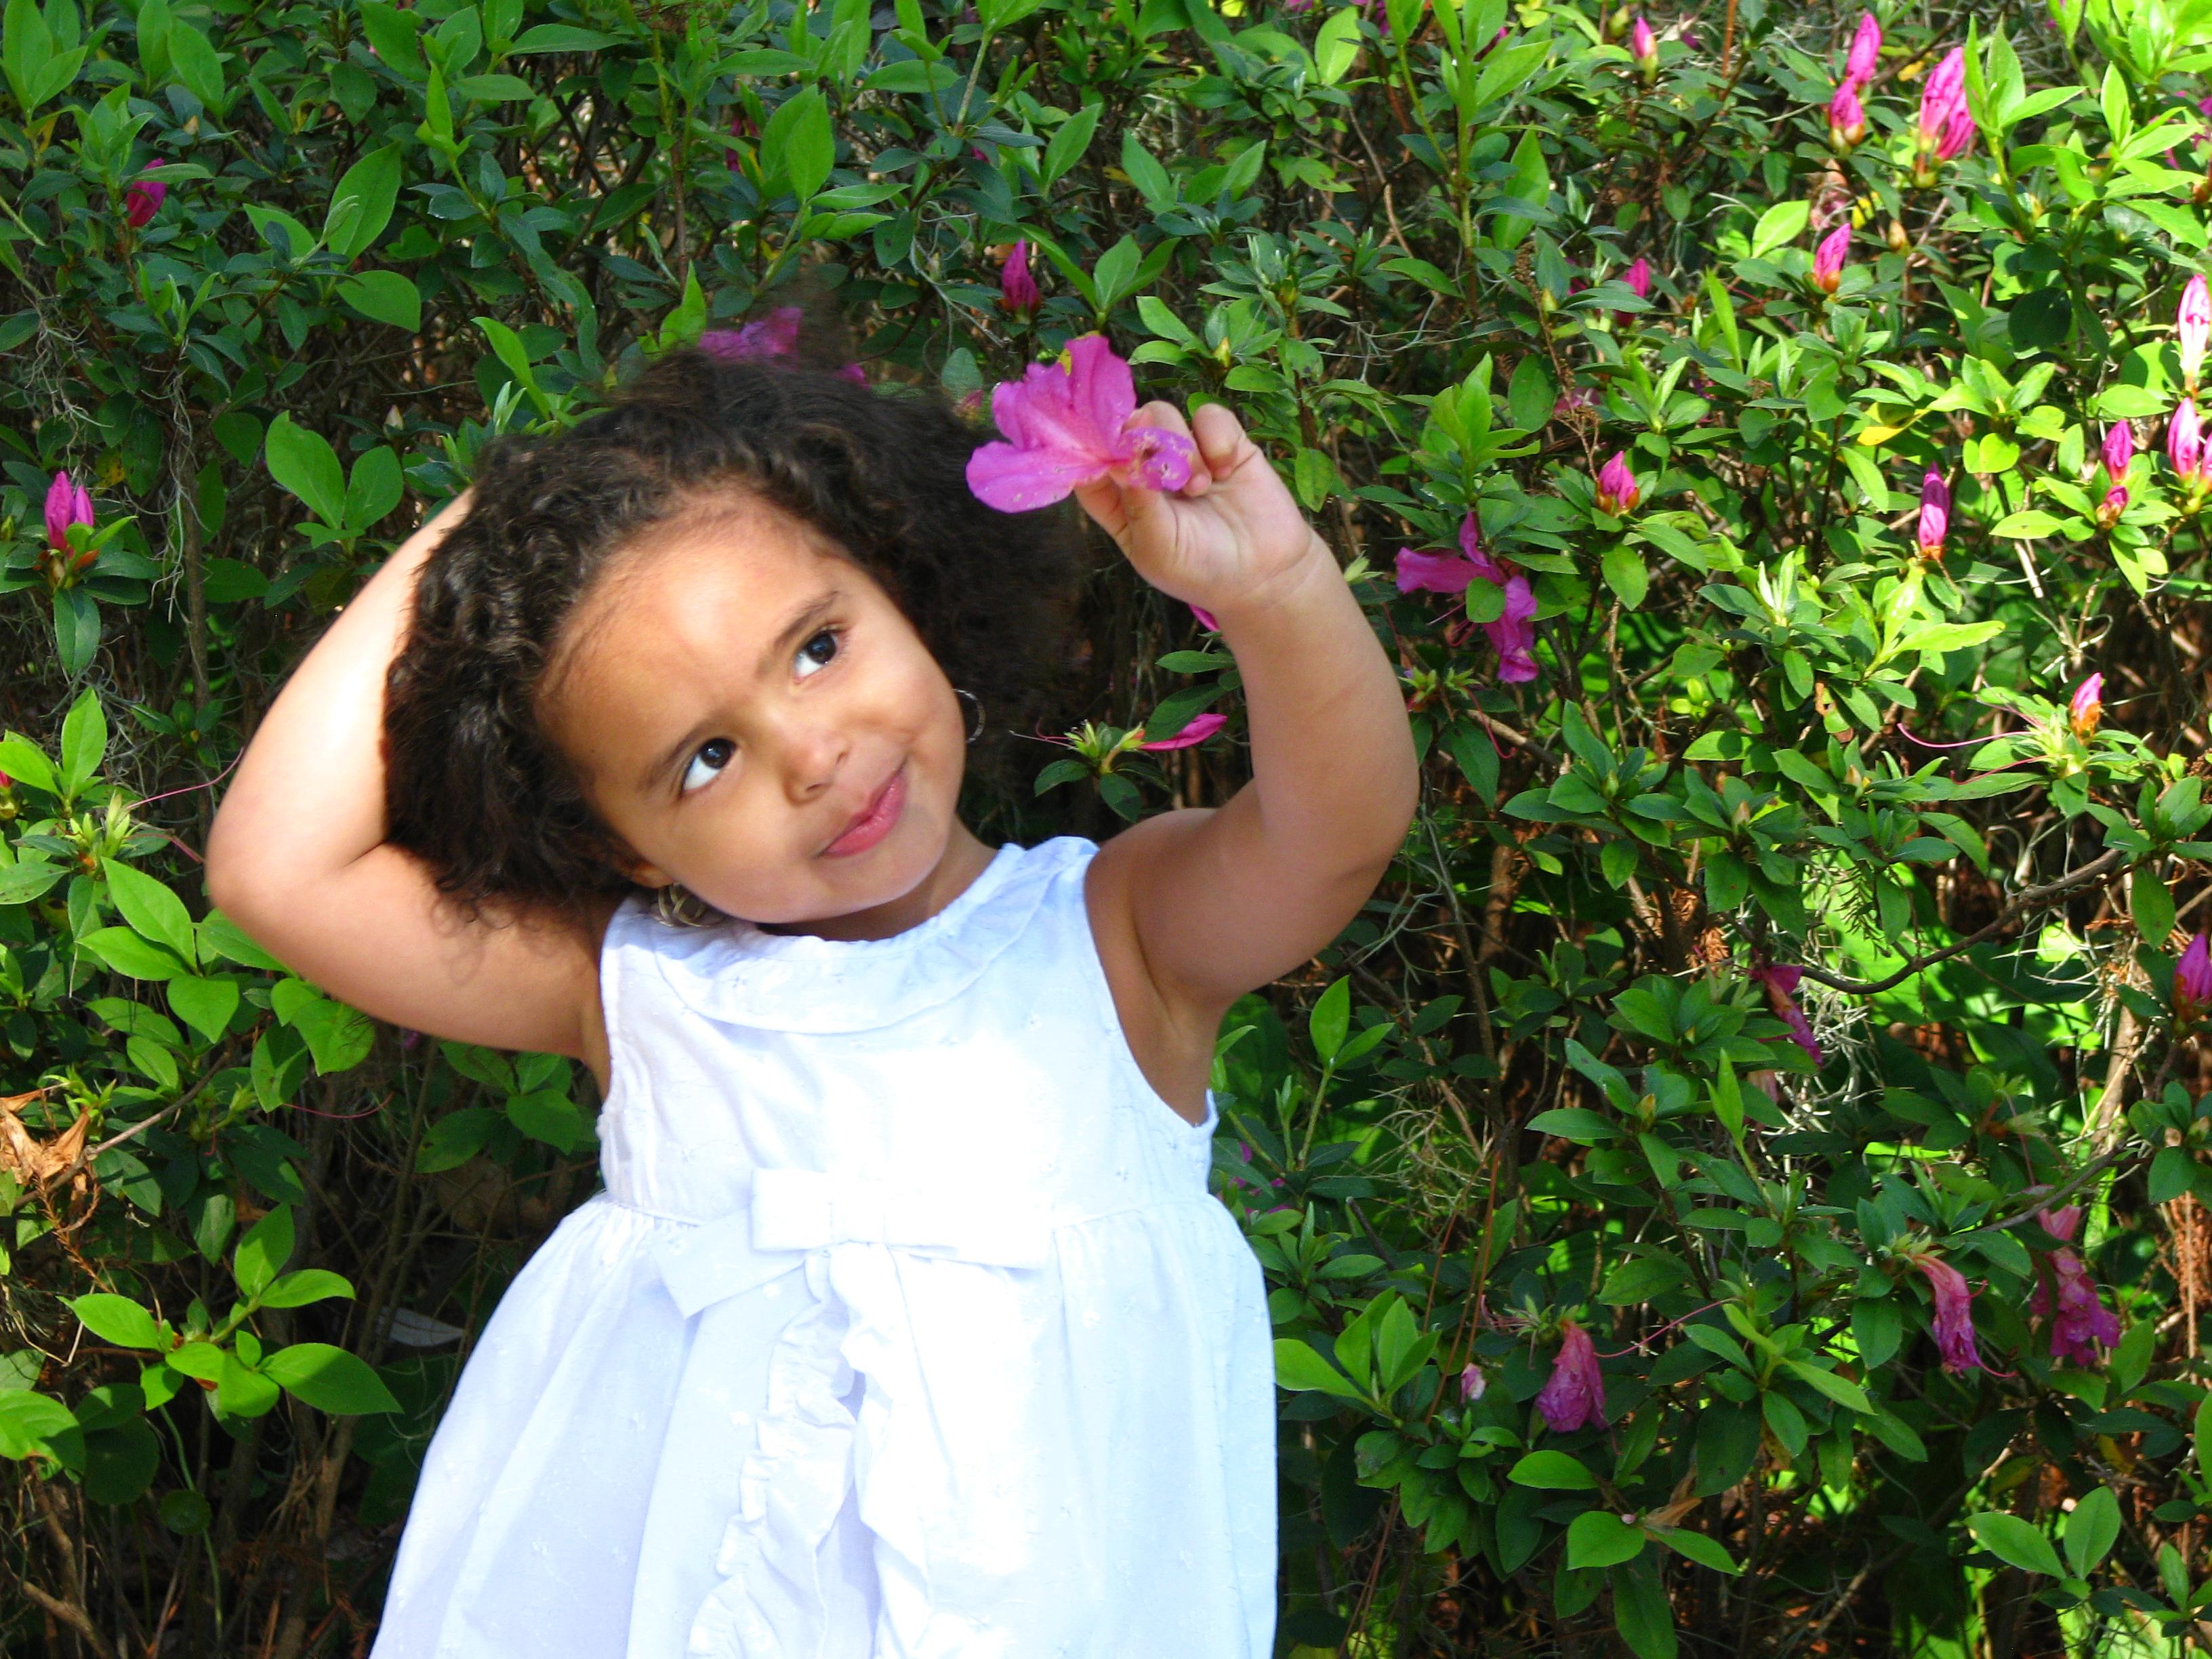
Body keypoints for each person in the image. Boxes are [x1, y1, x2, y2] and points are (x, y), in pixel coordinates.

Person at [204, 324, 1418, 1658]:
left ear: (900, 587)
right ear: (624, 848)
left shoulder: (1118, 942)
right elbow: (275, 870)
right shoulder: (645, 994)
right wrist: (499, 508)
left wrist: (1280, 589)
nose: (812, 755)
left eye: (819, 646)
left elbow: (1334, 833)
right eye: (706, 758)